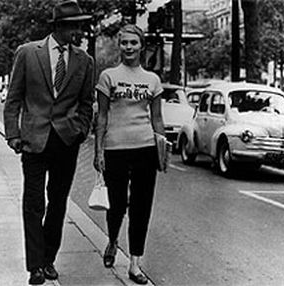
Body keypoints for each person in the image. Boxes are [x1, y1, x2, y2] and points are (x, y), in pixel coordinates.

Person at [3, 1, 94, 285]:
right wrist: (13, 134)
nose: (77, 31)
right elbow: (14, 98)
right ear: (58, 27)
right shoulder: (28, 53)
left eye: (79, 25)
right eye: (73, 26)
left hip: (66, 141)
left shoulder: (85, 61)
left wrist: (79, 130)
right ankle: (35, 267)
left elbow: (86, 103)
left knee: (57, 203)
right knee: (33, 203)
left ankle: (49, 259)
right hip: (34, 139)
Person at [93, 24, 165, 285]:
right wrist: (99, 150)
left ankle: (135, 263)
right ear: (119, 46)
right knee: (117, 203)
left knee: (141, 206)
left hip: (145, 148)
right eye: (124, 43)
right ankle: (112, 239)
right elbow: (101, 116)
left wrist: (162, 150)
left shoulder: (152, 80)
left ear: (141, 46)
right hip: (115, 149)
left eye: (134, 43)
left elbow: (157, 118)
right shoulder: (108, 77)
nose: (129, 47)